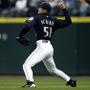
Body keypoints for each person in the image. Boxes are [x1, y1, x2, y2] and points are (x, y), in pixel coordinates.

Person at [17, 2, 77, 88]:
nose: (38, 9)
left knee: (26, 65)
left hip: (42, 47)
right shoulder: (53, 20)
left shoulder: (37, 18)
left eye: (40, 8)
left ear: (45, 10)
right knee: (53, 70)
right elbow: (68, 22)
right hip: (49, 47)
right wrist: (64, 9)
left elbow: (27, 26)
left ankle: (30, 83)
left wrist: (20, 36)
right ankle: (70, 80)